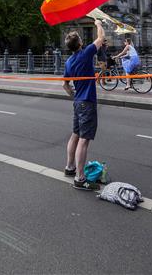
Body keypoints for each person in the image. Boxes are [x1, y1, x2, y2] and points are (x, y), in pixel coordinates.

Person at [62, 20, 105, 191]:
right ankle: (80, 178)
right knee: (83, 140)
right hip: (87, 102)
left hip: (78, 101)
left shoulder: (68, 62)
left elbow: (65, 85)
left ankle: (69, 167)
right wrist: (98, 23)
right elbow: (100, 38)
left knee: (75, 135)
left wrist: (74, 95)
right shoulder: (85, 53)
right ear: (79, 43)